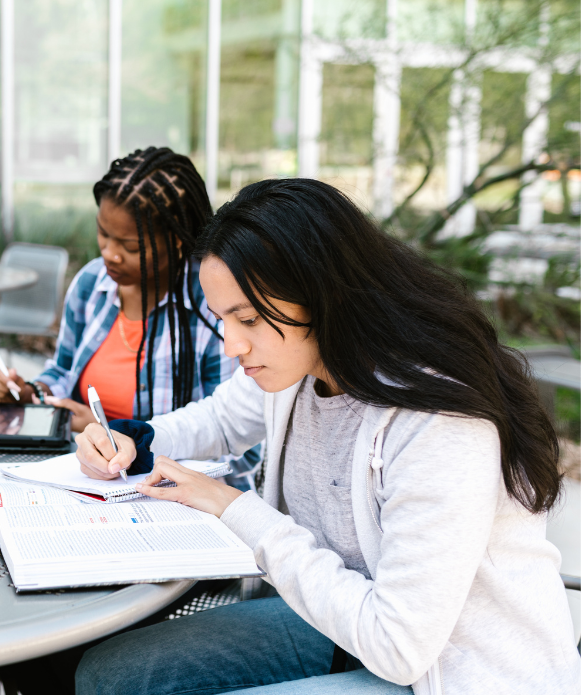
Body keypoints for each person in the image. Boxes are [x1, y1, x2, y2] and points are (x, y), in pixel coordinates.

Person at [74, 178, 580, 694]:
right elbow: (221, 420)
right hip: (348, 622)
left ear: (321, 295)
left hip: (453, 673)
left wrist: (237, 510)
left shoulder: (437, 422)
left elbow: (399, 648)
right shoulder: (300, 364)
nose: (231, 345)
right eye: (222, 318)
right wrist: (135, 438)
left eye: (246, 318)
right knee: (108, 676)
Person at [0, 146, 236, 434]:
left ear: (177, 240)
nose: (110, 254)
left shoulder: (213, 307)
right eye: (103, 233)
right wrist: (30, 393)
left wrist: (113, 432)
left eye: (130, 246)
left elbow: (233, 439)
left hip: (164, 478)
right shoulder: (92, 284)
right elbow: (64, 372)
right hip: (81, 468)